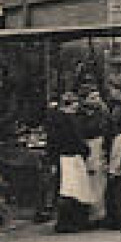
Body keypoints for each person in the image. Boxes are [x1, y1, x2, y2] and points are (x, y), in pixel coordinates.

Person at [44, 91, 93, 232]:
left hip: (64, 157)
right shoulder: (68, 120)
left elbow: (52, 143)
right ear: (70, 105)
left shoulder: (55, 119)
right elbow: (76, 140)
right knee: (72, 190)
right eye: (75, 104)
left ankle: (68, 222)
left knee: (68, 190)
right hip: (70, 157)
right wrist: (85, 150)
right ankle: (69, 222)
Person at [77, 90, 111, 228]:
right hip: (86, 146)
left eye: (97, 96)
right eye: (92, 97)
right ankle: (88, 213)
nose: (96, 99)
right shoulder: (80, 114)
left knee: (98, 180)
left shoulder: (103, 112)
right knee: (87, 180)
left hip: (98, 145)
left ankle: (99, 213)